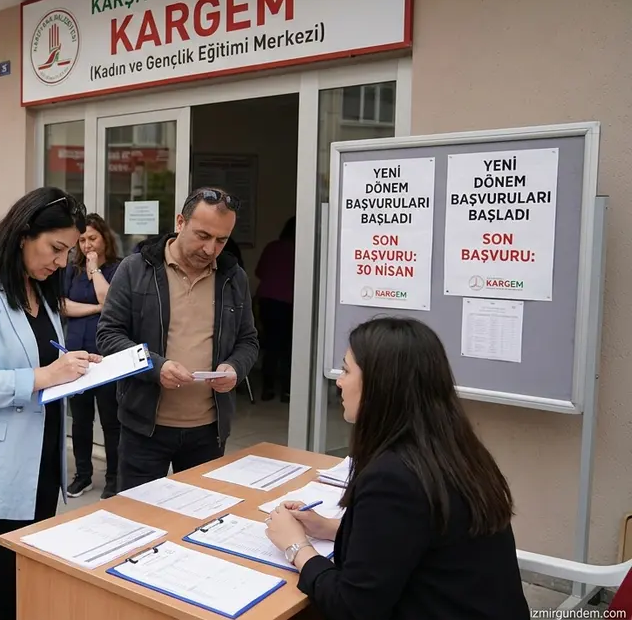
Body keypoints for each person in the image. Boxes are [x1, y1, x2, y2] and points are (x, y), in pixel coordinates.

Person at [264, 317, 530, 619]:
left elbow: (352, 606)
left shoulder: (393, 477)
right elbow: (417, 537)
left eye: (347, 370)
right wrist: (329, 527)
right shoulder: (454, 450)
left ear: (382, 385)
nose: (338, 381)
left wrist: (296, 548)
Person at [0, 187, 97, 620]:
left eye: (68, 253)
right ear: (25, 232)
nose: (61, 262)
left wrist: (76, 365)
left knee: (24, 577)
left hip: (38, 461)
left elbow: (41, 355)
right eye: (56, 248)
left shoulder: (39, 286)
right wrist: (46, 376)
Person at [97, 187, 259, 492]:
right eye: (202, 235)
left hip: (207, 431)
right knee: (138, 521)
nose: (211, 249)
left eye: (221, 240)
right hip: (144, 427)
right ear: (180, 222)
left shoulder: (232, 277)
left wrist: (235, 368)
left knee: (199, 521)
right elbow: (108, 336)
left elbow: (248, 340)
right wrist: (156, 367)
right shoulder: (135, 269)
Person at [62, 213, 122, 500]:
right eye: (82, 240)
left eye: (92, 238)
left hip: (106, 355)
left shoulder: (117, 269)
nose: (87, 245)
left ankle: (114, 477)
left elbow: (110, 300)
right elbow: (63, 306)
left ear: (105, 239)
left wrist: (95, 269)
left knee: (111, 419)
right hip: (77, 354)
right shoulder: (70, 271)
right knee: (81, 419)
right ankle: (82, 475)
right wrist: (96, 309)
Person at [255, 216, 296, 402]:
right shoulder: (302, 249)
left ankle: (267, 388)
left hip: (268, 301)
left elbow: (259, 272)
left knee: (271, 346)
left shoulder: (272, 247)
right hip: (290, 303)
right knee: (289, 348)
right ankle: (287, 391)